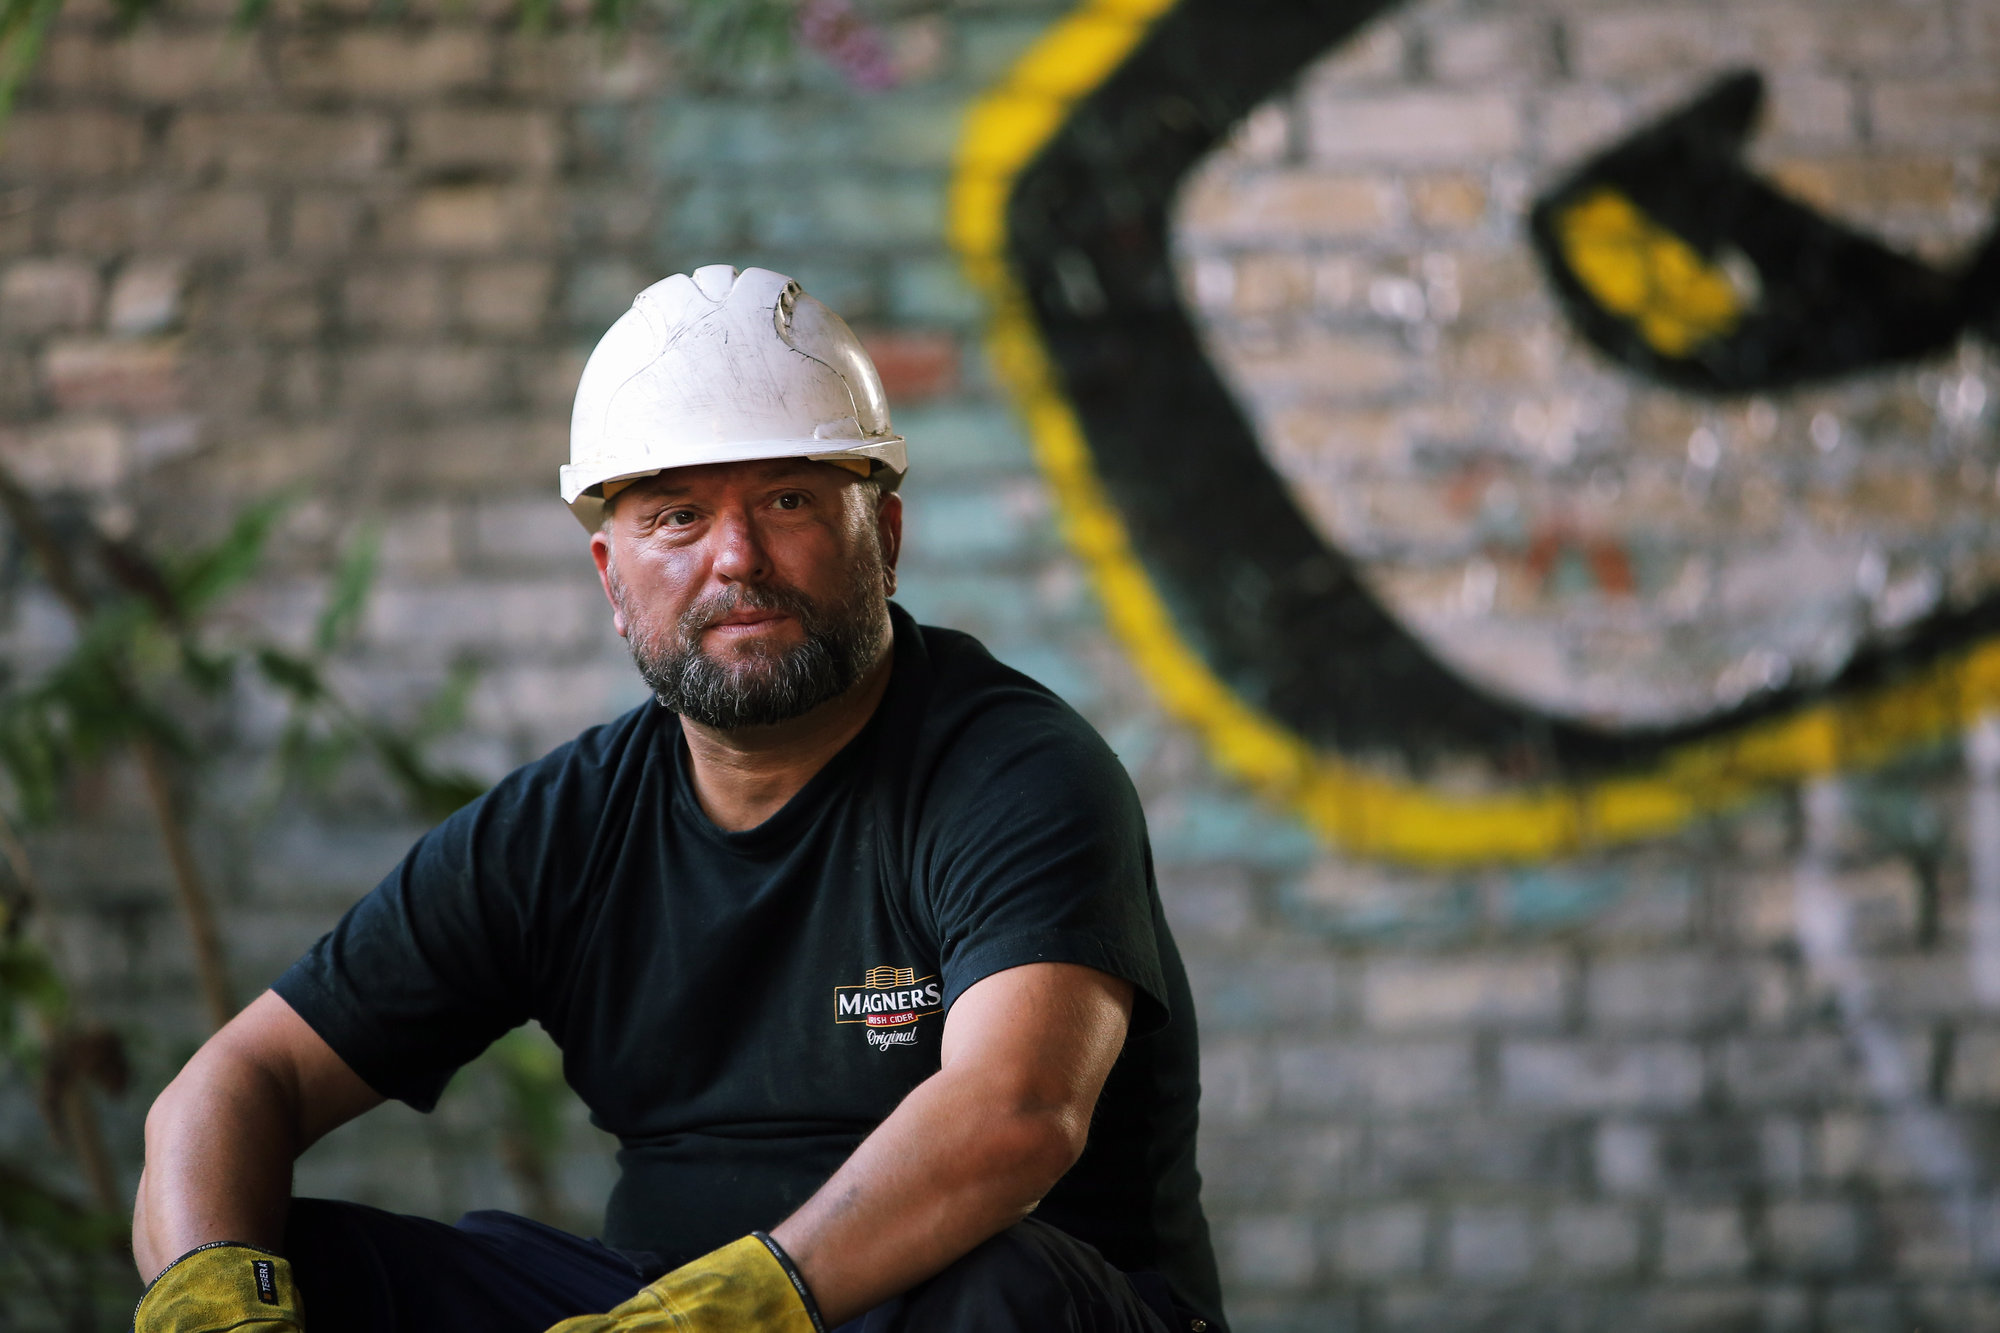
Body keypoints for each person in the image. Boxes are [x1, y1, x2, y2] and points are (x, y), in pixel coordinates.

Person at [130, 266, 1224, 1333]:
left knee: (994, 1285)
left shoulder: (1013, 771)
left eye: (789, 499)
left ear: (883, 542)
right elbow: (239, 1077)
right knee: (291, 1264)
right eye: (678, 516)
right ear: (612, 577)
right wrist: (207, 1302)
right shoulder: (568, 825)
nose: (737, 557)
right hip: (653, 1298)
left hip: (980, 1303)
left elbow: (1015, 1114)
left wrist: (732, 1313)